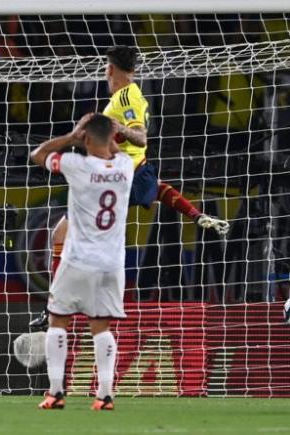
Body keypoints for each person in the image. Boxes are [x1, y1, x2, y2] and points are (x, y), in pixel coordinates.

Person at [30, 45, 230, 329]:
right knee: (64, 233)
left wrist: (118, 128)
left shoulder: (126, 97)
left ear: (110, 68)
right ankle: (63, 305)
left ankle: (59, 306)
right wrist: (195, 213)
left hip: (120, 178)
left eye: (105, 67)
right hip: (136, 175)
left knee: (69, 236)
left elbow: (140, 137)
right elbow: (153, 178)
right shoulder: (129, 96)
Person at [30, 113, 133, 411]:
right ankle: (105, 395)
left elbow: (38, 154)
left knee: (58, 320)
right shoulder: (125, 166)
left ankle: (56, 392)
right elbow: (116, 151)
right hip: (112, 263)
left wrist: (72, 137)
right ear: (111, 138)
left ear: (86, 138)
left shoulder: (77, 165)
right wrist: (109, 135)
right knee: (101, 326)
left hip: (77, 260)